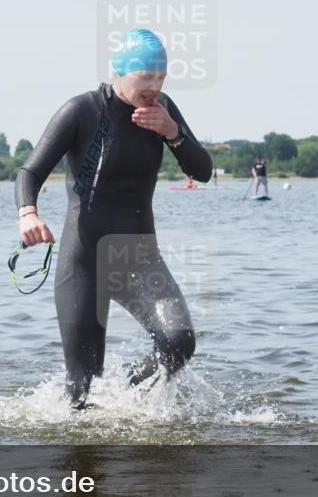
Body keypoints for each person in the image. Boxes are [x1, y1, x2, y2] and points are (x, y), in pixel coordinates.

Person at [15, 29, 213, 409]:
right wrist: (28, 214)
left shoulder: (163, 111)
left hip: (139, 258)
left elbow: (202, 170)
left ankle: (124, 400)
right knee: (81, 388)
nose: (154, 87)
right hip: (84, 260)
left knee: (179, 343)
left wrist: (172, 132)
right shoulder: (82, 111)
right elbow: (29, 172)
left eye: (161, 77)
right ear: (119, 73)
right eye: (146, 78)